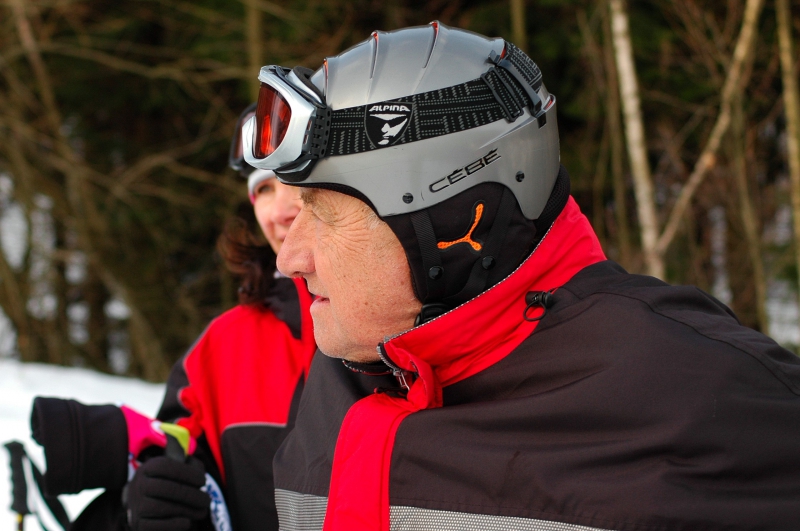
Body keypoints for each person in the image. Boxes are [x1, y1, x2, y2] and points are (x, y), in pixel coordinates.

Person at [242, 22, 800, 530]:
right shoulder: (339, 379)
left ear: (455, 223)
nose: (289, 258)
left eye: (325, 215)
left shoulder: (705, 402)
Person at [29, 104, 315, 531]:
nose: (278, 211)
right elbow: (189, 470)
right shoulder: (223, 345)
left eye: (292, 178)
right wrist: (150, 501)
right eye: (264, 189)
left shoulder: (403, 324)